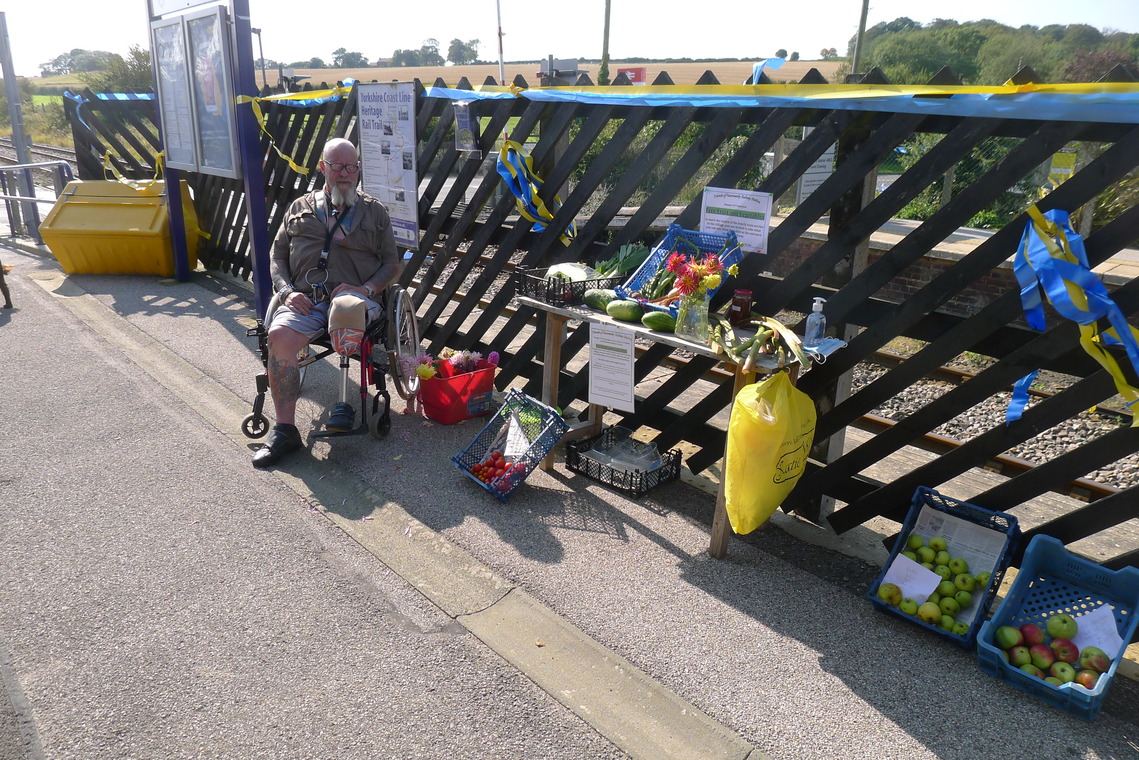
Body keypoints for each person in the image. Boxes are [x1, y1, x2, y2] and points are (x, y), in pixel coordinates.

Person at [252, 138, 400, 468]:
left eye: (351, 167)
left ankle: (345, 407)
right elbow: (276, 256)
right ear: (323, 167)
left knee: (346, 307)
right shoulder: (299, 207)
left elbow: (392, 265)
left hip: (356, 300)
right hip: (307, 300)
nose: (345, 174)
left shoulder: (374, 211)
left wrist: (366, 288)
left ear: (358, 169)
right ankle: (285, 430)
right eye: (337, 166)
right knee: (278, 336)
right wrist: (287, 291)